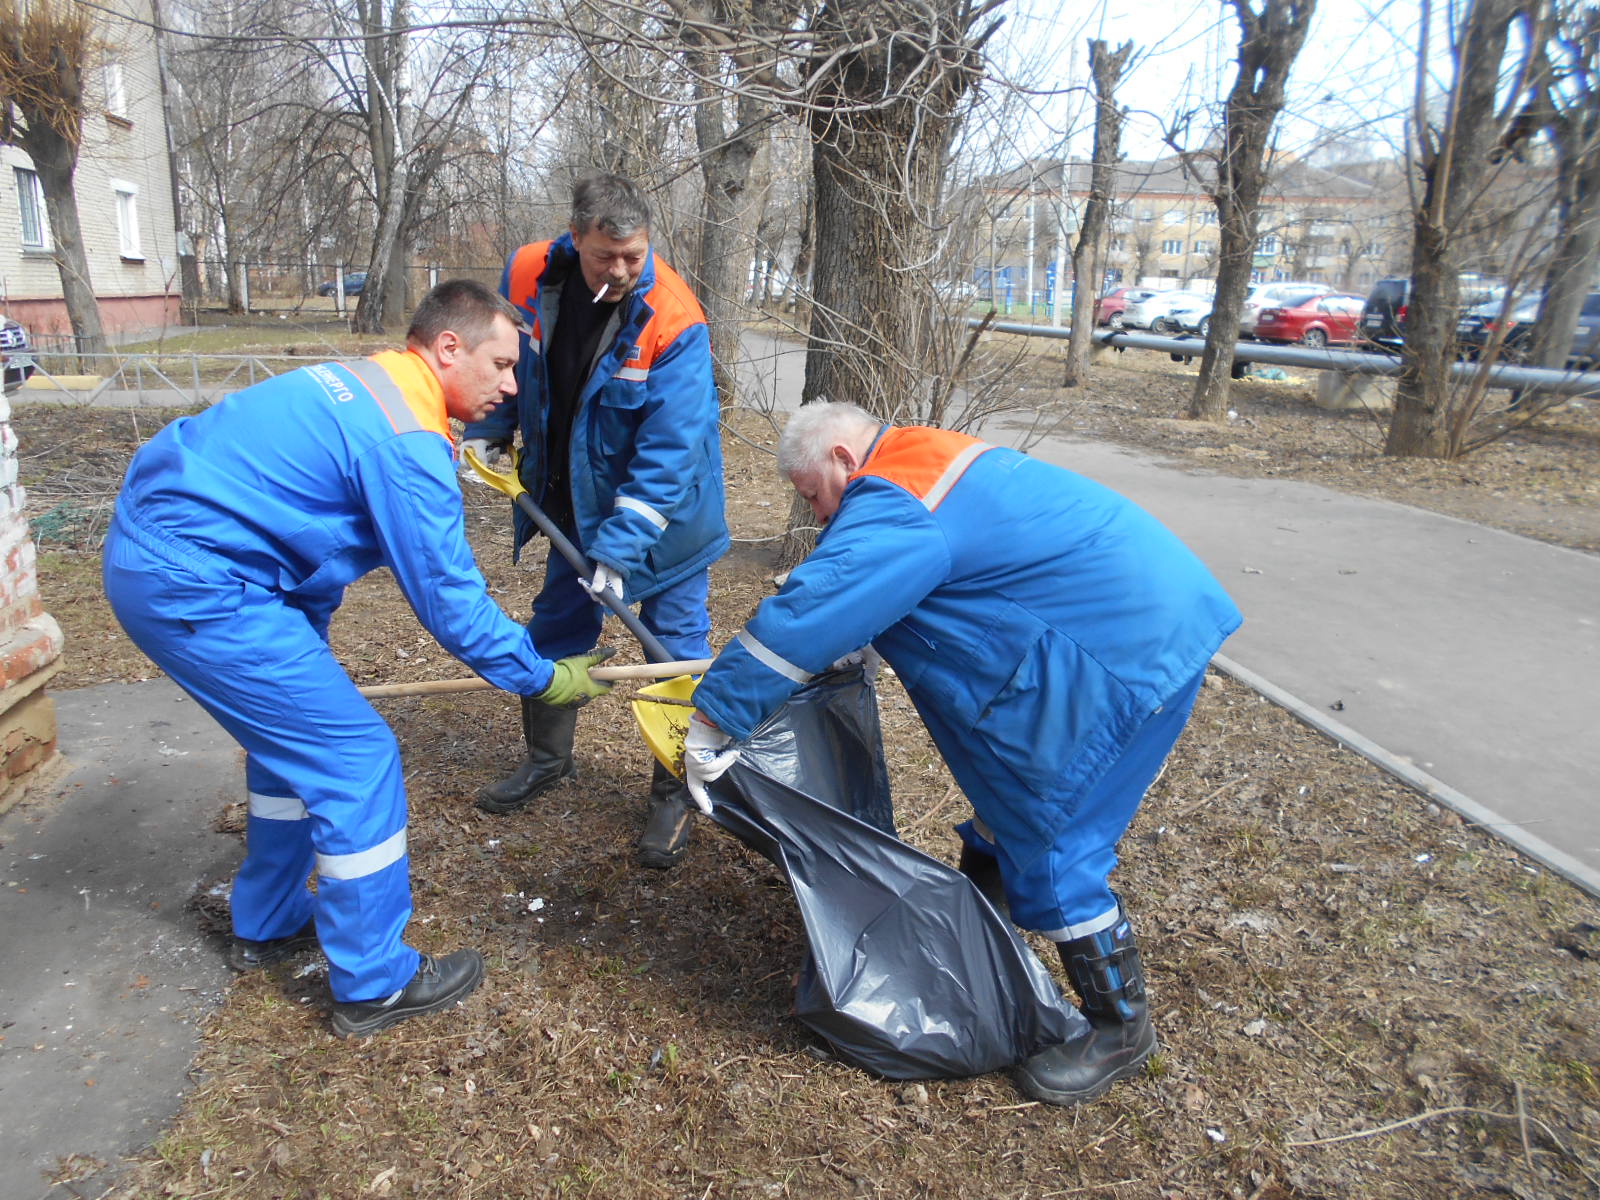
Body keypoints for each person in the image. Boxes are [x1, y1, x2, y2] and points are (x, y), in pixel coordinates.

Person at [682, 401, 1242, 1105]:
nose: (821, 518)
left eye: (814, 497)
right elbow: (932, 574)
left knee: (1052, 832)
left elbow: (810, 608)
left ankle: (1120, 1028)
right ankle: (982, 926)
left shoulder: (895, 497)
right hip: (1134, 623)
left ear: (843, 462)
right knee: (1007, 802)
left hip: (1118, 653)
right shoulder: (922, 458)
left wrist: (713, 721)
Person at [102, 280, 614, 1039]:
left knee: (291, 756)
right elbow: (450, 603)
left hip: (172, 558)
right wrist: (541, 675)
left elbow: (299, 528)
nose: (510, 385)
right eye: (502, 364)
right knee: (355, 758)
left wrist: (305, 641)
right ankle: (374, 982)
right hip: (199, 584)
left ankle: (269, 919)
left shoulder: (365, 383)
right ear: (447, 347)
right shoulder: (406, 440)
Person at [460, 172, 727, 870]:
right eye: (605, 254)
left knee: (672, 654)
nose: (619, 270)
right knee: (555, 630)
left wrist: (620, 552)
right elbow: (510, 358)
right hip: (572, 499)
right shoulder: (528, 272)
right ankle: (547, 759)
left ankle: (674, 796)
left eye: (633, 255)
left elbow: (671, 453)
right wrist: (492, 425)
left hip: (667, 518)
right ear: (573, 237)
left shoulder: (674, 319)